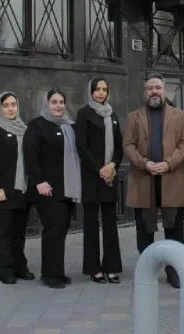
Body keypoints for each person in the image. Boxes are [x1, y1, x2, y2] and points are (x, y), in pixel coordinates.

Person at [123, 73, 184, 289]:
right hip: (144, 180)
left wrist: (168, 164)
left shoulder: (180, 115)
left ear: (164, 90)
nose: (154, 92)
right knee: (144, 230)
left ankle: (174, 272)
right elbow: (128, 145)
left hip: (172, 179)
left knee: (174, 229)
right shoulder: (133, 117)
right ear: (145, 92)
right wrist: (145, 163)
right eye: (150, 88)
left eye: (158, 88)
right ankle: (148, 272)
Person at [24, 89, 82, 289]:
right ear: (46, 104)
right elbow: (30, 154)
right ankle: (49, 275)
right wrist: (39, 181)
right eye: (54, 102)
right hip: (46, 188)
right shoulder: (37, 125)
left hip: (67, 188)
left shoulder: (70, 126)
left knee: (61, 229)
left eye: (61, 102)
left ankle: (57, 271)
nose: (58, 106)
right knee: (53, 229)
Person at [76, 77, 124, 284]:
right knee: (91, 223)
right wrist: (99, 169)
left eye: (104, 89)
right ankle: (94, 269)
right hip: (91, 177)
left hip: (110, 177)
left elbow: (120, 146)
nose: (101, 93)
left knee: (111, 224)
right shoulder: (84, 114)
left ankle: (111, 268)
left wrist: (112, 165)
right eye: (97, 89)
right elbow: (82, 146)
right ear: (91, 92)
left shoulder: (113, 115)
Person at [0, 92, 36, 284]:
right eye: (6, 105)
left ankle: (20, 266)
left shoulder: (25, 129)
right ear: (0, 108)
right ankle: (5, 269)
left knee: (20, 231)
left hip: (22, 189)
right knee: (5, 232)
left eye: (13, 104)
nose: (10, 108)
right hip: (5, 190)